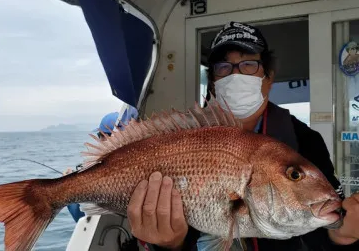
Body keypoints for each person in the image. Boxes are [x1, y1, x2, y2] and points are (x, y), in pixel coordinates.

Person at [126, 21, 359, 250]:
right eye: (224, 68)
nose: (235, 74)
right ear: (214, 83)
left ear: (268, 77)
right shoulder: (186, 134)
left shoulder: (305, 140)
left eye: (249, 65)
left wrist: (340, 237)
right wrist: (169, 246)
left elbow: (321, 228)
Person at [64, 111, 122, 222]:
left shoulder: (102, 168)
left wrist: (69, 187)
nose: (99, 140)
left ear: (105, 137)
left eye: (100, 136)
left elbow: (86, 217)